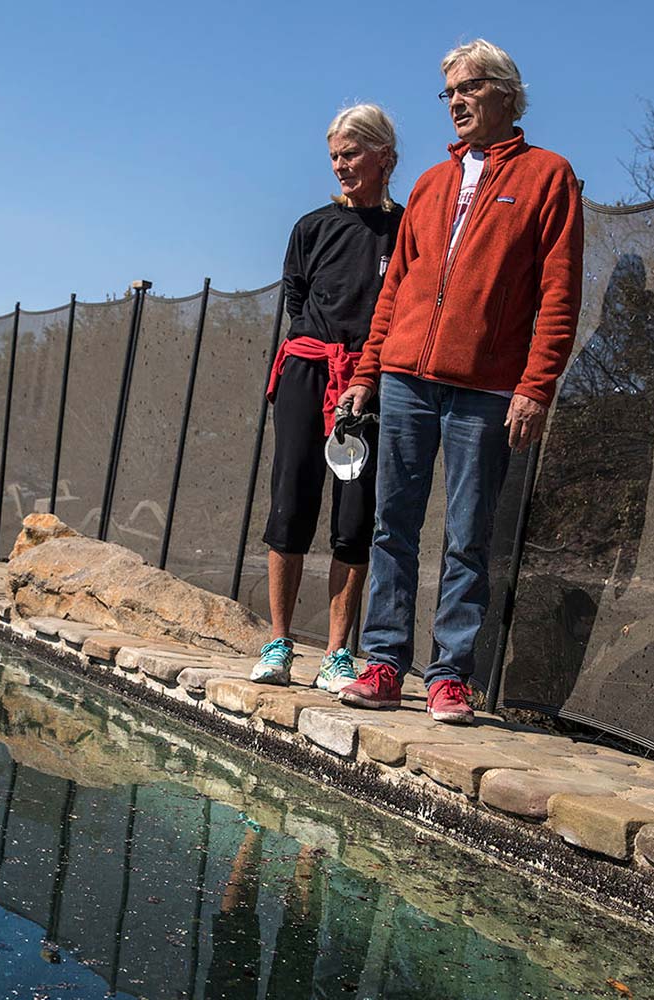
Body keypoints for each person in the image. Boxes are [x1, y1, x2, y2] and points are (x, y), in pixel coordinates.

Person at [338, 39, 583, 724]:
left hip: (488, 388)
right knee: (393, 524)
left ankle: (450, 676)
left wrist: (537, 385)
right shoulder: (427, 184)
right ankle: (384, 663)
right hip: (405, 379)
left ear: (505, 91)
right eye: (447, 92)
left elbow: (559, 294)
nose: (456, 102)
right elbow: (396, 291)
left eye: (469, 88)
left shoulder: (548, 176)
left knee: (469, 533)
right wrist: (366, 373)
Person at [250, 105, 403, 693]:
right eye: (335, 155)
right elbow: (297, 298)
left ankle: (338, 653)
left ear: (385, 156)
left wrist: (363, 366)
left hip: (368, 382)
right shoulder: (310, 227)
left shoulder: (406, 229)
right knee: (289, 503)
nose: (341, 165)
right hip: (306, 372)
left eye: (352, 153)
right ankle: (279, 642)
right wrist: (321, 353)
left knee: (354, 515)